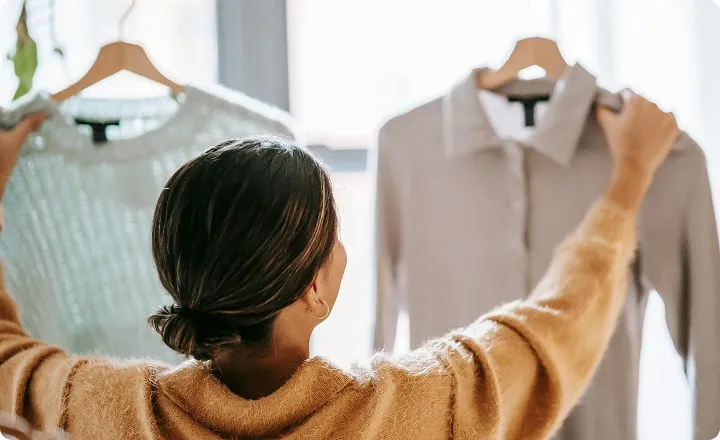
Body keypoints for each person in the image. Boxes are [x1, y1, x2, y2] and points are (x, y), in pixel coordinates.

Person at [0, 95, 678, 439]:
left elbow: (8, 361)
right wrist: (630, 177)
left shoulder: (108, 408)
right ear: (316, 285)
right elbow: (559, 322)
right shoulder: (410, 407)